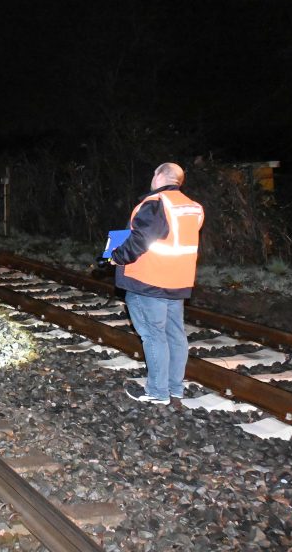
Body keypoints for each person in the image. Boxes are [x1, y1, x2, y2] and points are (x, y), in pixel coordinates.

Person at [108, 162, 205, 407]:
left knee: (154, 336)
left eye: (154, 173)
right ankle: (174, 388)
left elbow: (142, 239)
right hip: (178, 282)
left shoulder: (156, 203)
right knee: (175, 335)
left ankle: (158, 392)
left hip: (149, 281)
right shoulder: (192, 207)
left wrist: (116, 256)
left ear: (160, 175)